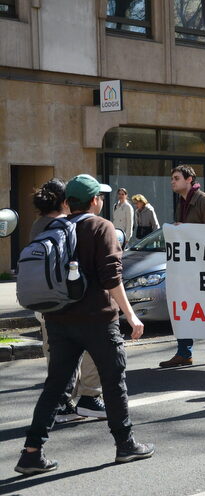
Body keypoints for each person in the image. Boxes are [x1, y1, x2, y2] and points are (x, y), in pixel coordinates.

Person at [15, 174, 153, 475]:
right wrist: (130, 315)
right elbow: (111, 277)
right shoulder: (100, 226)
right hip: (98, 320)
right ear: (94, 201)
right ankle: (125, 444)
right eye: (99, 196)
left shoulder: (54, 227)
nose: (101, 200)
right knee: (114, 381)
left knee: (55, 386)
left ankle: (31, 453)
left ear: (68, 203)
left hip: (59, 320)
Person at [29, 179, 105, 423]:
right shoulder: (62, 226)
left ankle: (64, 402)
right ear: (64, 202)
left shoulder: (37, 225)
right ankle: (87, 398)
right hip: (68, 301)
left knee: (57, 354)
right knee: (91, 349)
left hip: (43, 302)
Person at [159, 165, 205, 368]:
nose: (172, 182)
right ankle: (184, 352)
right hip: (187, 266)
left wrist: (185, 230)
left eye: (176, 178)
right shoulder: (181, 202)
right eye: (172, 178)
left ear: (189, 179)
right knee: (183, 307)